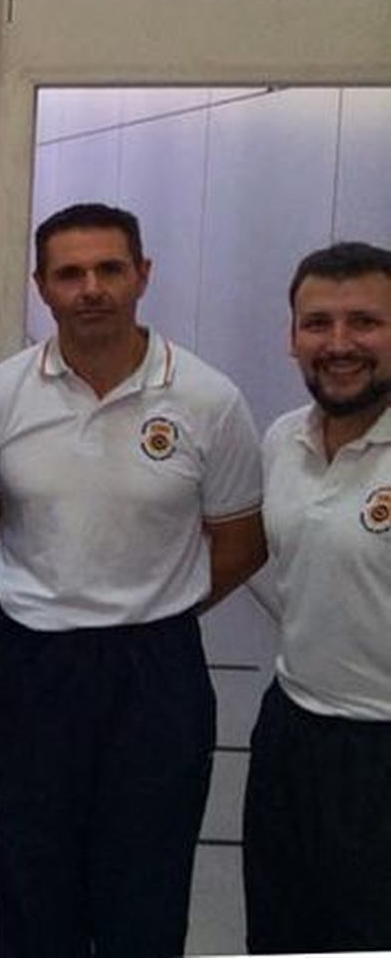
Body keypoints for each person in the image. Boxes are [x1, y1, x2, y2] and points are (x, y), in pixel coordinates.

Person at [0, 202, 268, 957]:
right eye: (69, 273)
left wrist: (151, 602)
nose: (90, 287)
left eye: (109, 269)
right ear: (42, 286)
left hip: (155, 670)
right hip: (34, 664)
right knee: (33, 883)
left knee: (147, 885)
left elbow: (241, 543)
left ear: (143, 275)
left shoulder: (207, 398)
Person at [243, 240, 391, 954]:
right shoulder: (282, 441)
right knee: (281, 934)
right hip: (291, 731)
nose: (338, 345)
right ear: (292, 336)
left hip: (382, 743)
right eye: (317, 323)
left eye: (364, 322)